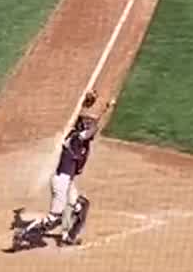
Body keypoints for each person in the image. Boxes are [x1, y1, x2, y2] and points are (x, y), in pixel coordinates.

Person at [11, 92, 115, 250]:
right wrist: (106, 108)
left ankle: (68, 237)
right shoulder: (76, 139)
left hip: (68, 181)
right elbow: (93, 127)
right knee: (54, 218)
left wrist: (86, 105)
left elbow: (88, 123)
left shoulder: (77, 137)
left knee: (81, 206)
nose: (89, 125)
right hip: (61, 182)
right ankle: (23, 233)